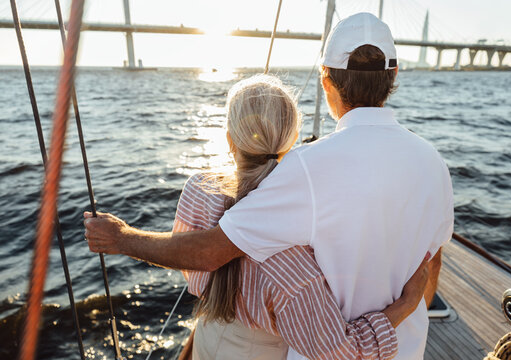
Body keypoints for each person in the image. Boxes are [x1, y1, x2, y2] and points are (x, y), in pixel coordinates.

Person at [84, 13, 454, 360]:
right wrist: (407, 308)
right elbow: (431, 260)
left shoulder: (305, 167)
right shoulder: (434, 163)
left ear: (326, 80)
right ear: (393, 75)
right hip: (406, 346)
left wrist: (121, 237)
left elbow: (214, 251)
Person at [169, 75, 430, 359]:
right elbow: (343, 352)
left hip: (208, 332)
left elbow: (190, 264)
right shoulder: (295, 239)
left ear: (230, 139)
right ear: (293, 138)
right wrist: (407, 303)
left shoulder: (197, 190)